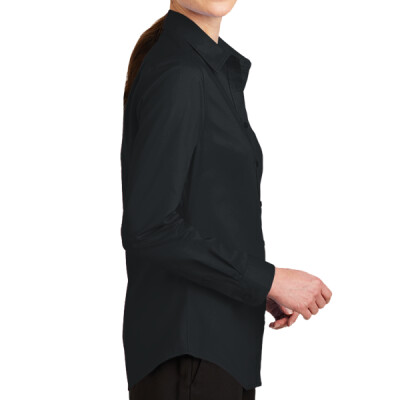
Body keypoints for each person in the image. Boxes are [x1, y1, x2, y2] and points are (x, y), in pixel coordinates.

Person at [120, 2, 332, 399]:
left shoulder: (205, 68)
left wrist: (257, 288)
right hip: (192, 355)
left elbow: (204, 213)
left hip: (213, 350)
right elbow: (149, 227)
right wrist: (268, 278)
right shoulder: (180, 72)